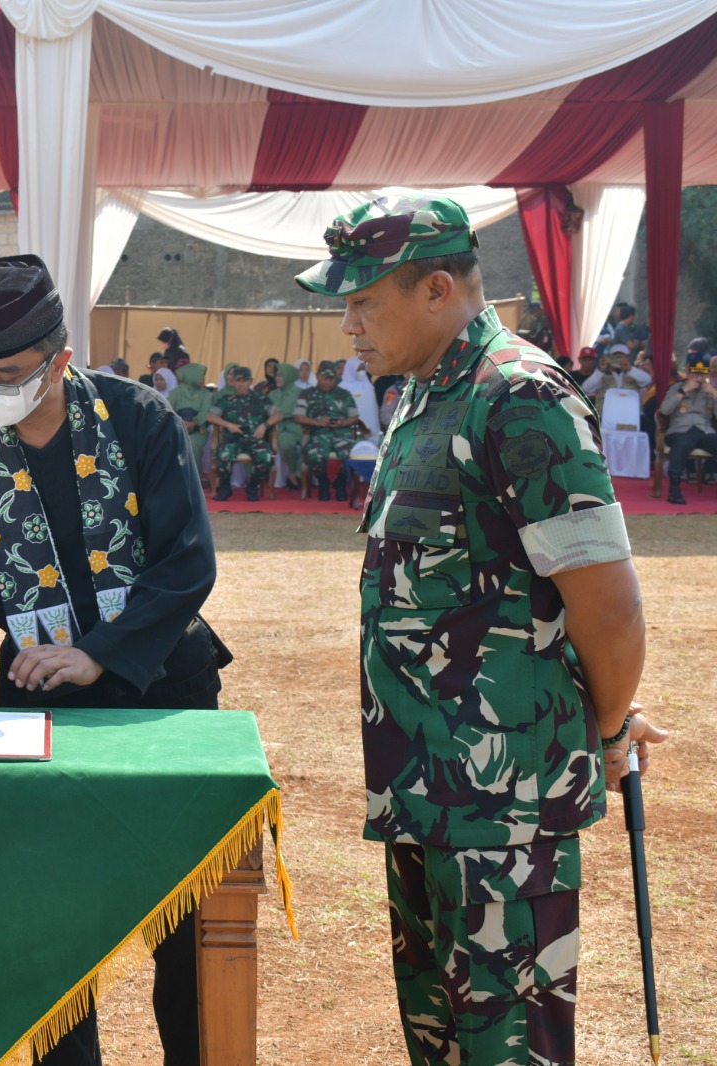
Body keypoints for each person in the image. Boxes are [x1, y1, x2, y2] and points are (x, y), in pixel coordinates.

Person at [296, 193, 665, 1066]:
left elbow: (606, 604)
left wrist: (606, 731)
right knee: (445, 1045)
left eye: (362, 301)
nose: (346, 323)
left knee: (510, 1052)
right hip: (424, 796)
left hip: (505, 817)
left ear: (435, 289)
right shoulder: (427, 395)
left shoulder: (517, 396)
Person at [0, 253, 228, 1066]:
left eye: (7, 373)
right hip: (37, 702)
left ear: (60, 360)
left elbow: (186, 565)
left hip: (162, 691)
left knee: (186, 923)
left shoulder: (140, 419)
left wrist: (98, 655)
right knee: (51, 923)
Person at [205, 365, 279, 501]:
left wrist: (264, 425)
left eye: (245, 381)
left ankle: (252, 485)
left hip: (255, 439)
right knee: (223, 454)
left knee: (267, 457)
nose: (241, 384)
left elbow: (278, 415)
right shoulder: (226, 400)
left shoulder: (261, 398)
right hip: (233, 439)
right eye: (238, 381)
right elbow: (210, 416)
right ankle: (225, 486)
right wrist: (228, 425)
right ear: (233, 382)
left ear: (250, 381)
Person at [292, 360, 362, 500]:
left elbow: (355, 417)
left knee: (352, 454)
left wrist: (343, 422)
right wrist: (316, 422)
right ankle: (323, 482)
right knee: (313, 454)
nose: (329, 382)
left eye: (331, 378)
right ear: (318, 376)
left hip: (342, 434)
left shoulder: (344, 394)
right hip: (319, 433)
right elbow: (298, 417)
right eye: (325, 378)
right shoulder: (306, 394)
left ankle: (340, 482)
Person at [659, 356, 717, 504]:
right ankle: (675, 490)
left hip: (705, 431)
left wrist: (714, 394)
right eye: (694, 372)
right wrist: (684, 390)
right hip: (680, 430)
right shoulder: (676, 387)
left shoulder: (711, 390)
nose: (698, 377)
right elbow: (664, 410)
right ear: (686, 371)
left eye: (702, 373)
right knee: (681, 444)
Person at [168, 361, 212, 478]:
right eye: (201, 376)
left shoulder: (206, 394)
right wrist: (180, 423)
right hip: (178, 428)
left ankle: (194, 478)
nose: (203, 379)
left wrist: (194, 422)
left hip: (198, 429)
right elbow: (168, 410)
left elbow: (205, 412)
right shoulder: (176, 392)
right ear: (192, 376)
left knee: (191, 444)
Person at [582, 343, 650, 398]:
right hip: (607, 413)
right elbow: (586, 388)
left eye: (620, 357)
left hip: (630, 413)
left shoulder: (633, 373)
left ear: (627, 358)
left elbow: (647, 380)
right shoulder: (602, 375)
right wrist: (600, 370)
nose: (617, 360)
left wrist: (629, 368)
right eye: (615, 357)